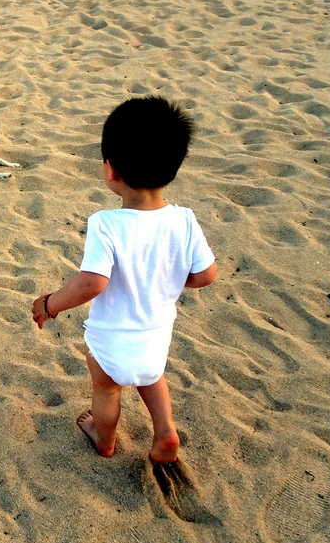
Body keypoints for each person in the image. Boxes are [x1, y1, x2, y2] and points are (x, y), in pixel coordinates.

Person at [31, 97, 217, 465]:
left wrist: (50, 303)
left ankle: (105, 439)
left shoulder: (107, 223)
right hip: (155, 333)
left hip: (111, 338)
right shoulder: (185, 220)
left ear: (111, 171)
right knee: (152, 377)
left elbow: (92, 283)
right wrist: (170, 278)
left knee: (106, 390)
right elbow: (206, 275)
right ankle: (165, 431)